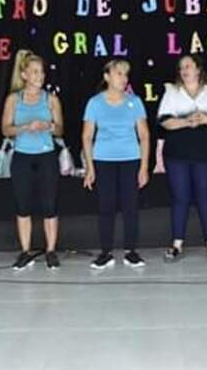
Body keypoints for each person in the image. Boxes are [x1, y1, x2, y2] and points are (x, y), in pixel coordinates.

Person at [157, 55, 207, 262]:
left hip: (206, 153)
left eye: (188, 66)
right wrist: (187, 122)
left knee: (206, 196)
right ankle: (177, 244)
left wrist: (206, 118)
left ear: (198, 69)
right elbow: (164, 121)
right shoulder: (172, 92)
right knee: (180, 197)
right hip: (177, 154)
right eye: (181, 68)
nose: (184, 70)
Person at [82, 59, 150, 269]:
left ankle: (131, 251)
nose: (123, 78)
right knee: (106, 207)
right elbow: (86, 137)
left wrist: (144, 167)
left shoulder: (134, 102)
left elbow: (145, 136)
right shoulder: (95, 103)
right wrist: (90, 168)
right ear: (107, 77)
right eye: (119, 73)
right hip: (104, 160)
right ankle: (105, 252)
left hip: (130, 159)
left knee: (130, 206)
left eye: (125, 74)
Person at [1, 50, 64, 271]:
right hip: (22, 157)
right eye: (35, 72)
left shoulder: (51, 99)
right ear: (24, 74)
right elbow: (6, 129)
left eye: (42, 72)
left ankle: (51, 251)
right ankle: (25, 251)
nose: (40, 76)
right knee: (23, 206)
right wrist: (26, 127)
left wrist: (48, 125)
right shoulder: (13, 99)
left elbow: (60, 130)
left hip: (46, 155)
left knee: (50, 205)